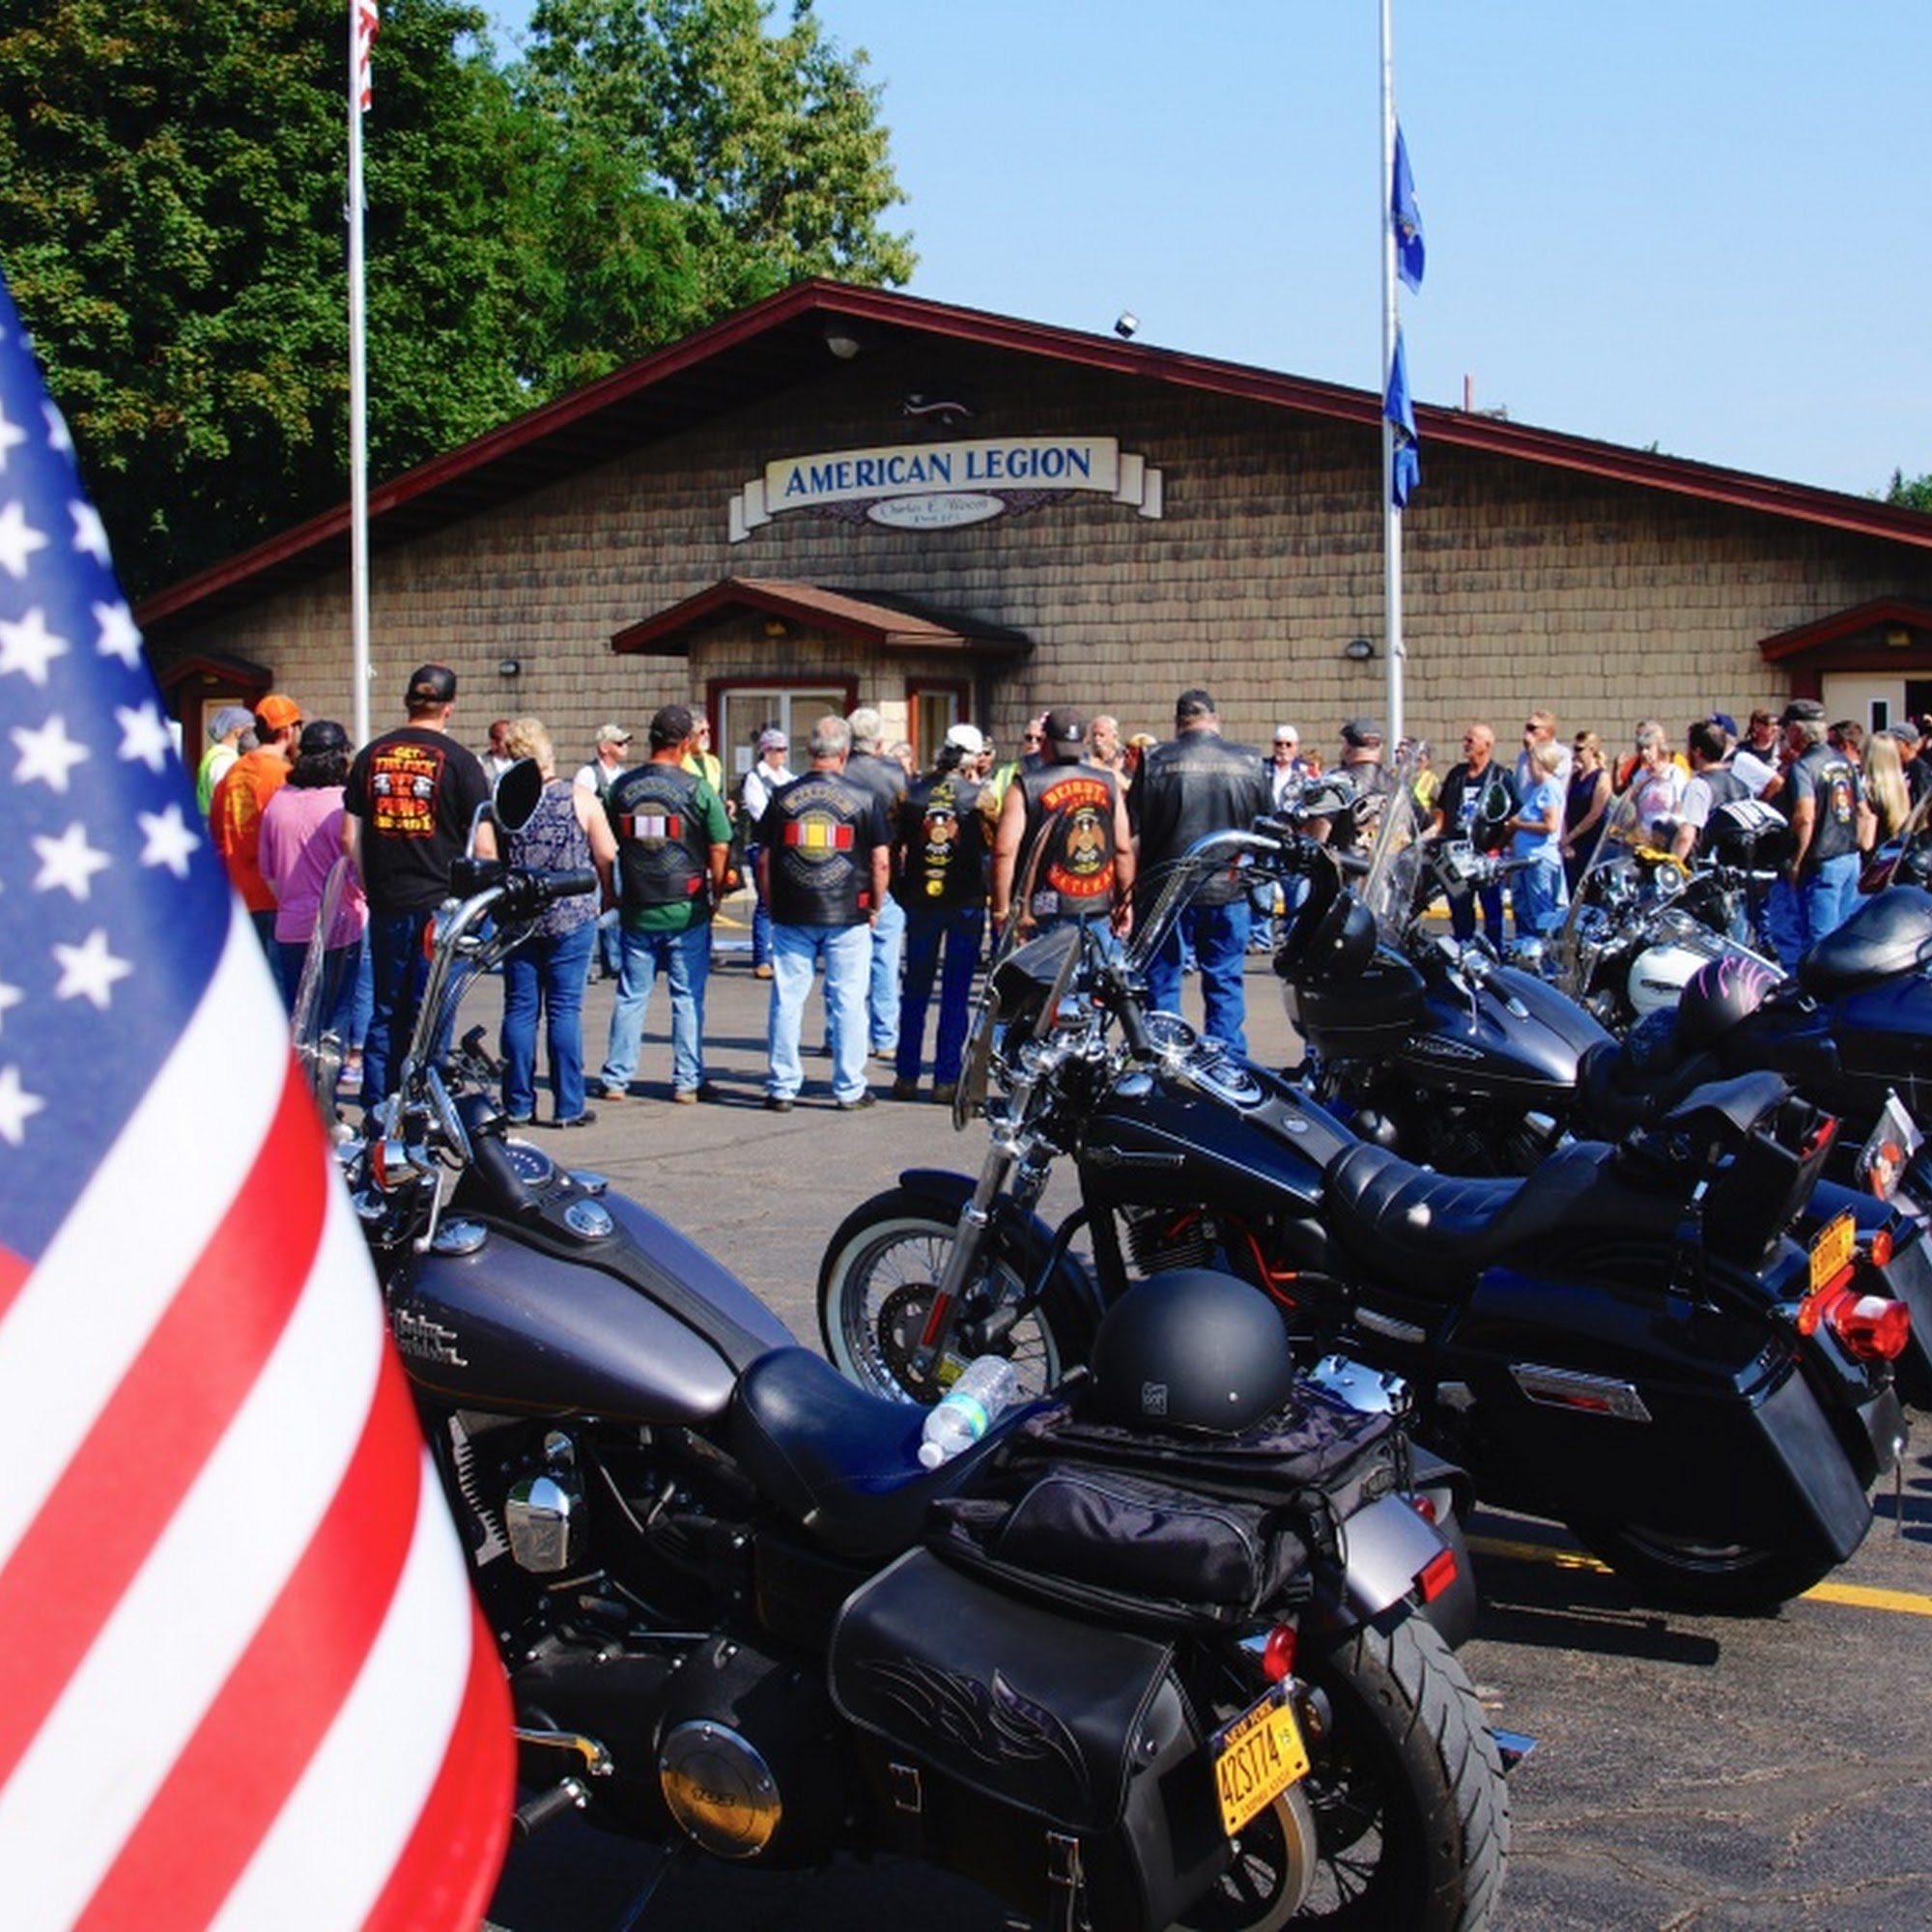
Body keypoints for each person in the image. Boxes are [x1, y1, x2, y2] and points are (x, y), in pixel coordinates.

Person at [342, 663, 494, 1115]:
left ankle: (377, 1104)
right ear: (449, 708)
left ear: (408, 701)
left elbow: (349, 838)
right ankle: (422, 1101)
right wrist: (480, 907)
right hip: (441, 906)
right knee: (431, 1013)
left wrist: (372, 886)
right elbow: (485, 847)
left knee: (385, 1010)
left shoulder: (371, 757)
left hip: (388, 901)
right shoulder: (462, 762)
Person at [597, 704, 731, 1104]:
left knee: (630, 995)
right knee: (687, 996)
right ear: (686, 742)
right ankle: (687, 1081)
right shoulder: (696, 788)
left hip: (638, 903)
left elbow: (604, 848)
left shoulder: (621, 788)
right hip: (685, 905)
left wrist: (609, 891)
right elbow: (720, 844)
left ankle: (617, 1077)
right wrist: (717, 892)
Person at [756, 715, 891, 1112]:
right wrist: (875, 905)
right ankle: (849, 1087)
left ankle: (782, 1086)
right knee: (849, 1000)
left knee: (787, 999)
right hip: (848, 911)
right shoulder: (865, 799)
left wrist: (771, 903)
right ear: (845, 753)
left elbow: (765, 860)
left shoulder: (782, 797)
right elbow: (880, 860)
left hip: (793, 909)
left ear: (809, 751)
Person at [1128, 689, 1268, 1052]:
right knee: (1224, 979)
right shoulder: (1249, 762)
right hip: (1228, 885)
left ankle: (1164, 1054)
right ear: (1215, 719)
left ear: (1178, 724)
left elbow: (1132, 832)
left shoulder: (1155, 760)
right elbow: (1266, 828)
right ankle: (1228, 1061)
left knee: (1163, 980)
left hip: (1168, 888)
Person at [498, 718, 618, 1127]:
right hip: (571, 913)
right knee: (565, 1009)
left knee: (520, 1009)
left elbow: (484, 854)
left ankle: (517, 1102)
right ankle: (568, 1104)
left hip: (518, 917)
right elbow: (606, 854)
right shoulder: (578, 797)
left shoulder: (502, 805)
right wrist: (607, 895)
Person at [891, 724, 998, 1105]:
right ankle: (946, 1080)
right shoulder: (980, 798)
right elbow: (994, 847)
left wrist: (899, 890)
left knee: (915, 988)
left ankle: (905, 1076)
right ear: (970, 758)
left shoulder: (910, 793)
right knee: (955, 992)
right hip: (965, 901)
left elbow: (892, 847)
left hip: (921, 900)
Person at [260, 721, 367, 1060]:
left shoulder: (277, 803)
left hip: (291, 924)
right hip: (341, 922)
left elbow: (270, 873)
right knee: (335, 1021)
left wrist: (292, 901)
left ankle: (304, 1096)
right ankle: (325, 1099)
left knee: (298, 1019)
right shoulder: (343, 804)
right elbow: (357, 862)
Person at [992, 704, 1135, 950]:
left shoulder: (1025, 785)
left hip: (1043, 909)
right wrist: (1125, 902)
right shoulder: (1108, 783)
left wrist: (1001, 909)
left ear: (1046, 742)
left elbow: (1005, 851)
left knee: (1050, 985)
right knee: (1097, 984)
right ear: (1083, 741)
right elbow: (1122, 849)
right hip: (1097, 905)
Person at [209, 692, 303, 982]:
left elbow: (215, 831)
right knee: (282, 992)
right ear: (288, 730)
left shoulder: (233, 773)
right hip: (275, 896)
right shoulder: (285, 776)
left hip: (237, 893)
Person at [1767, 698, 1863, 968]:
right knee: (1841, 940)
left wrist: (1796, 861)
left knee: (1819, 946)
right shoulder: (1843, 761)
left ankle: (1817, 1006)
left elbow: (1805, 816)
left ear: (1797, 730)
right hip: (1849, 858)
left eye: (1786, 728)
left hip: (1821, 863)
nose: (1784, 735)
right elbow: (1865, 811)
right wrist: (1861, 846)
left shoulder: (1804, 766)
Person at [843, 707, 910, 1062]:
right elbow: (908, 820)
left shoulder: (840, 770)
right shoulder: (893, 773)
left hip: (843, 874)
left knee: (843, 961)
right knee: (884, 958)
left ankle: (837, 1032)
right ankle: (885, 1036)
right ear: (879, 741)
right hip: (885, 872)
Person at [1431, 724, 1517, 944]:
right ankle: (1463, 951)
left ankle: (1495, 955)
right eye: (1465, 739)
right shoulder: (1456, 775)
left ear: (1486, 745)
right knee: (1459, 910)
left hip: (1485, 855)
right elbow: (1441, 813)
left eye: (1471, 740)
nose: (1465, 744)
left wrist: (1498, 848)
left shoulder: (1501, 776)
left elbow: (1513, 818)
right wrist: (1433, 837)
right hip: (1455, 854)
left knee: (1492, 911)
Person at [575, 723, 632, 980]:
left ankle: (614, 962)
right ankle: (584, 967)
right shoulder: (588, 774)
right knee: (591, 906)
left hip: (616, 846)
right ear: (604, 747)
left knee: (615, 904)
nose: (625, 747)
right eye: (619, 743)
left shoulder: (623, 775)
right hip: (589, 849)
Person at [739, 726, 794, 979]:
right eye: (778, 749)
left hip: (787, 845)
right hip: (762, 845)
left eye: (784, 749)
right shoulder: (755, 778)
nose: (782, 754)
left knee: (786, 901)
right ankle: (761, 959)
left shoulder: (788, 778)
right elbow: (759, 813)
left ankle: (784, 956)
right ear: (766, 751)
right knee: (765, 902)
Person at [1505, 738, 1567, 936]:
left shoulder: (1550, 788)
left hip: (1539, 858)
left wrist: (1518, 824)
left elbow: (1550, 825)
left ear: (1540, 763)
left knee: (1541, 911)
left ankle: (1545, 953)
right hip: (1525, 857)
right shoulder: (1536, 790)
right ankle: (1525, 947)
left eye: (1531, 762)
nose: (1528, 767)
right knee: (1522, 907)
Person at [1673, 719, 1752, 861]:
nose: (1686, 752)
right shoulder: (1742, 782)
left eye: (1688, 747)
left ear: (1697, 751)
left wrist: (1672, 867)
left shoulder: (1698, 786)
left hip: (1708, 871)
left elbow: (1686, 837)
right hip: (1739, 868)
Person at [1561, 729, 1612, 893]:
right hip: (1572, 840)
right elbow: (1564, 805)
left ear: (1591, 750)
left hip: (1591, 840)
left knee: (1590, 888)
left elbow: (1595, 813)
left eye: (1579, 749)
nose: (1575, 753)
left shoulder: (1601, 777)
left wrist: (1571, 835)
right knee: (1571, 887)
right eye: (1574, 748)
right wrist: (1564, 839)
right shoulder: (1574, 776)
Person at [1627, 721, 1687, 841]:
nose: (1644, 753)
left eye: (1648, 748)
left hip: (1667, 835)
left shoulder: (1674, 773)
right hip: (1645, 838)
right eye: (1641, 749)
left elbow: (1678, 805)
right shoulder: (1640, 776)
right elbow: (1635, 808)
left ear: (1658, 748)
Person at [196, 705, 253, 814]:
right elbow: (228, 800)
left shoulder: (217, 755)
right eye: (250, 730)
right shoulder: (224, 760)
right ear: (237, 731)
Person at [1516, 709, 1573, 794]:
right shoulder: (1523, 755)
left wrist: (1533, 753)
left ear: (1547, 731)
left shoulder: (1562, 754)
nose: (1527, 733)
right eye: (1527, 728)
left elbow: (1544, 782)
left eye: (1532, 728)